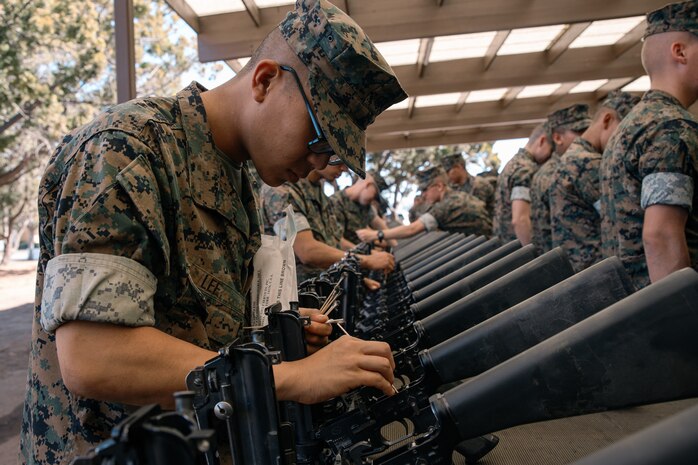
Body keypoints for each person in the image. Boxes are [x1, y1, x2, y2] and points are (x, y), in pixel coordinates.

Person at [19, 1, 408, 463]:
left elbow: (199, 329)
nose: (321, 163)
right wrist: (285, 376)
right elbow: (94, 356)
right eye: (320, 138)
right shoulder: (124, 151)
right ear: (265, 81)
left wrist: (271, 336)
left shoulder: (236, 177)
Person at [600, 0, 698, 289]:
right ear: (680, 52)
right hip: (666, 314)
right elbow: (661, 236)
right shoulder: (671, 127)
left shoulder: (631, 125)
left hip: (635, 307)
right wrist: (682, 321)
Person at [550, 91, 640, 272]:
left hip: (583, 267)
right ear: (607, 120)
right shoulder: (587, 163)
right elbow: (621, 219)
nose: (626, 139)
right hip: (597, 268)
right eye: (623, 130)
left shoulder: (573, 157)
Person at [261, 164, 395, 283]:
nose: (344, 168)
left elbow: (336, 241)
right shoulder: (282, 191)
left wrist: (361, 274)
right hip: (294, 299)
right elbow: (307, 251)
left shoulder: (320, 194)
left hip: (325, 290)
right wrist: (365, 261)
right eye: (339, 158)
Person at [356, 165, 491, 243]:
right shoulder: (458, 196)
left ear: (439, 186)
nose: (423, 195)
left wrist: (376, 235)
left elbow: (412, 229)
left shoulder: (447, 205)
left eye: (425, 189)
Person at [530, 104, 590, 254]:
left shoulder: (550, 170)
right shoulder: (561, 171)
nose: (586, 135)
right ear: (557, 138)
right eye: (579, 132)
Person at [493, 124, 552, 245]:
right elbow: (520, 219)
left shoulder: (513, 164)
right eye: (551, 150)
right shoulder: (525, 170)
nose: (551, 157)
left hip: (506, 245)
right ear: (542, 141)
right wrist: (532, 255)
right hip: (519, 248)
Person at [329, 170, 396, 247]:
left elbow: (381, 226)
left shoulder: (365, 206)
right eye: (374, 195)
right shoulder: (335, 203)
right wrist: (369, 257)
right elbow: (337, 241)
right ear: (367, 185)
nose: (373, 200)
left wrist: (395, 246)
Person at [441, 152, 496, 221]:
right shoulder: (453, 189)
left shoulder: (479, 184)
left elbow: (475, 211)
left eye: (448, 171)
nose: (447, 176)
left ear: (459, 167)